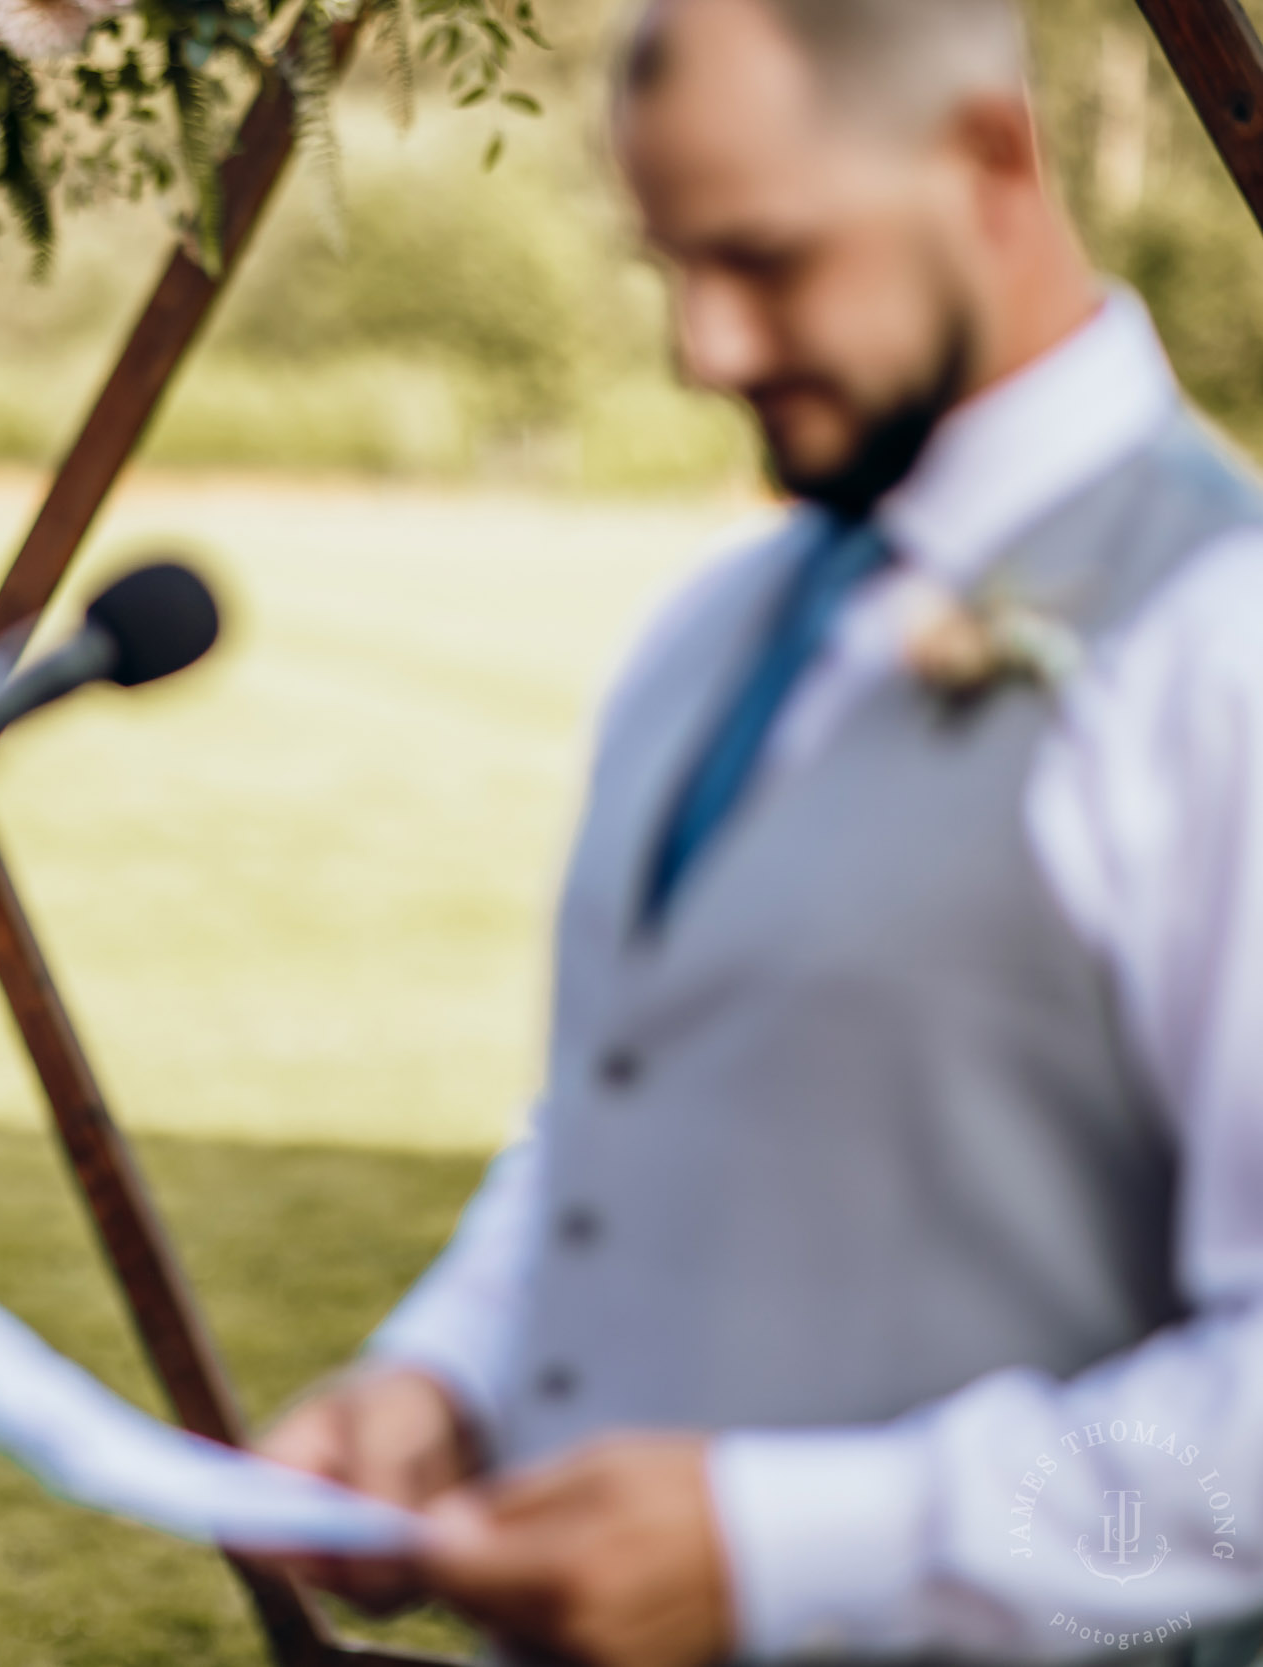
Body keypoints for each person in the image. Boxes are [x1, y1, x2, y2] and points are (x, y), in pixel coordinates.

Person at [258, 3, 1263, 1664]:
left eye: (767, 260)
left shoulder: (1222, 648)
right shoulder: (706, 625)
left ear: (991, 159)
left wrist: (796, 1550)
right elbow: (647, 1106)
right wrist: (446, 1374)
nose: (704, 349)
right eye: (671, 267)